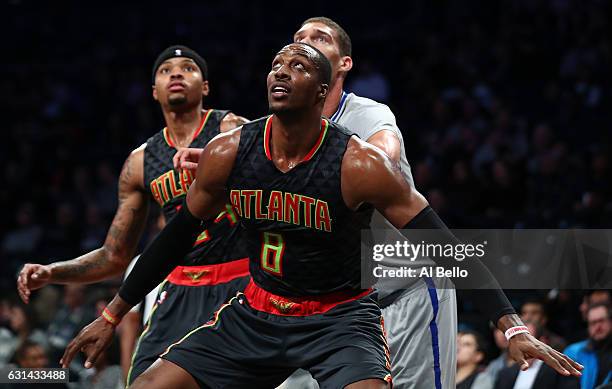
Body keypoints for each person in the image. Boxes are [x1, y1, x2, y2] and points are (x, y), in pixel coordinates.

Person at [60, 42, 582, 389]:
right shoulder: (229, 152)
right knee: (151, 385)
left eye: (299, 67)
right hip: (257, 312)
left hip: (339, 319)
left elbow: (443, 244)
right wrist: (111, 315)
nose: (281, 72)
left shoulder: (359, 165)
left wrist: (510, 324)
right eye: (275, 65)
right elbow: (174, 238)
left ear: (323, 90)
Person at [174, 16, 457, 388]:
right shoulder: (278, 128)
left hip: (406, 289)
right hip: (329, 304)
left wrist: (355, 165)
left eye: (320, 37)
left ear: (342, 64)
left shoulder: (368, 115)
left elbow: (384, 154)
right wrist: (224, 166)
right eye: (298, 38)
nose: (307, 42)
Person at [16, 45, 250, 384]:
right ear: (154, 91)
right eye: (166, 70)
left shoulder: (231, 129)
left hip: (240, 280)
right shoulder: (141, 161)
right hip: (179, 288)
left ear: (206, 86)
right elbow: (115, 255)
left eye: (187, 68)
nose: (177, 74)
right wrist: (53, 271)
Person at [494, 322, 580, 389]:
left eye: (527, 341)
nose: (523, 346)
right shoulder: (504, 374)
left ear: (542, 342)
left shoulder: (560, 370)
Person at [564, 303, 612, 389]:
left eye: (601, 321)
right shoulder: (574, 352)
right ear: (588, 326)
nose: (598, 327)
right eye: (593, 323)